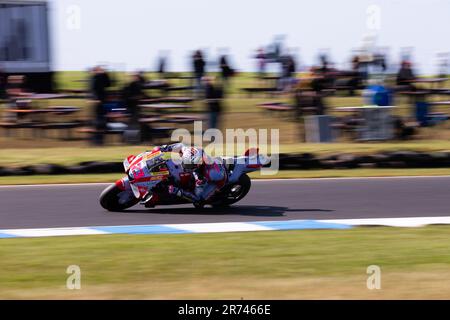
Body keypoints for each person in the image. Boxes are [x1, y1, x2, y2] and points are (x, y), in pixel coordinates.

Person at [159, 143, 227, 208]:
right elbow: (180, 145)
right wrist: (165, 148)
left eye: (189, 166)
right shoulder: (189, 151)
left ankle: (181, 192)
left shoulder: (211, 174)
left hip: (218, 179)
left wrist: (178, 191)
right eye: (186, 164)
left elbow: (220, 177)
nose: (185, 167)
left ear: (198, 164)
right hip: (211, 159)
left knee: (198, 201)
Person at [89, 66, 112, 145]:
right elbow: (93, 89)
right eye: (98, 70)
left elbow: (108, 84)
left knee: (101, 119)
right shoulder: (94, 78)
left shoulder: (100, 77)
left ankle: (100, 140)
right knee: (98, 120)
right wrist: (96, 99)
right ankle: (97, 140)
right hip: (97, 101)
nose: (100, 71)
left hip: (102, 101)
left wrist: (105, 74)